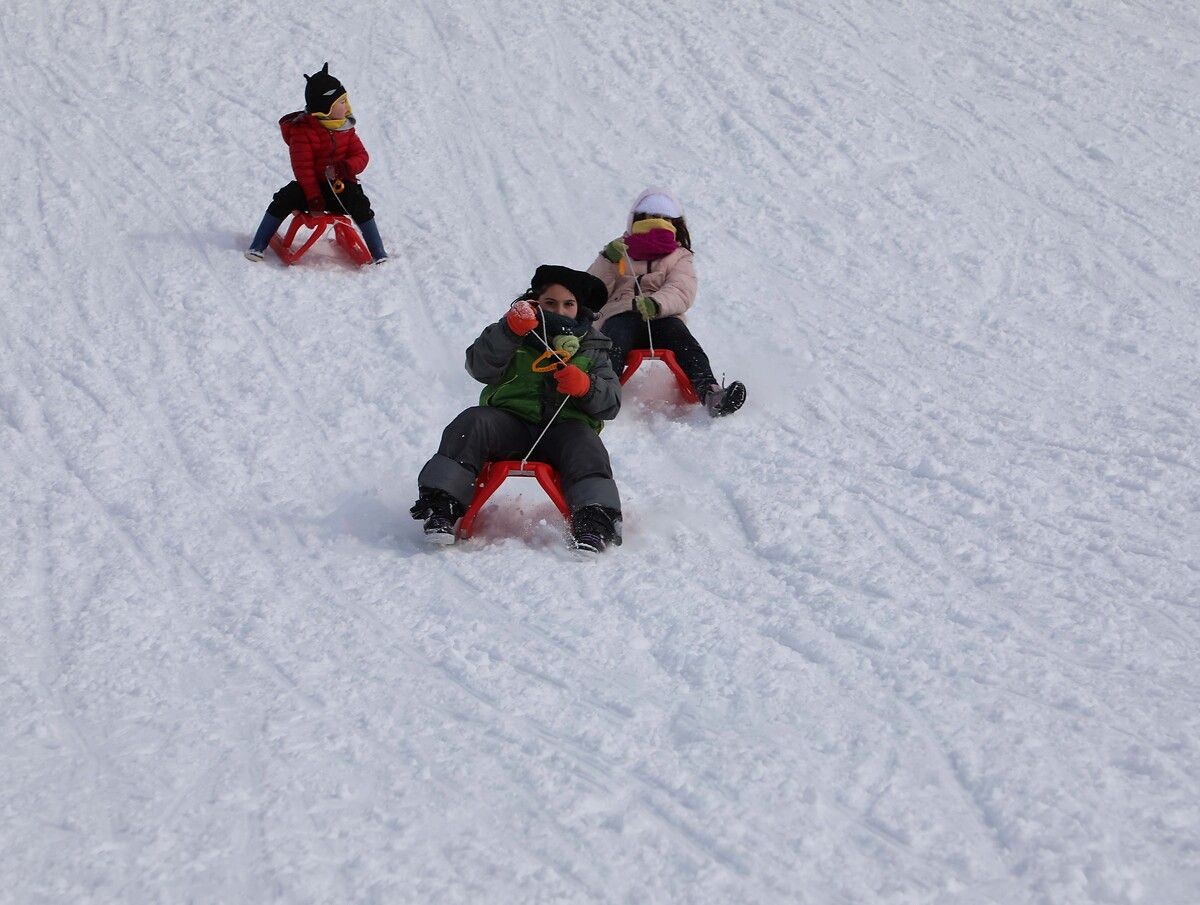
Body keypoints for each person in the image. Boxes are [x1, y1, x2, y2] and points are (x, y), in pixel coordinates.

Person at [411, 265, 623, 553]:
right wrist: (509, 332)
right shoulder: (514, 330)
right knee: (473, 422)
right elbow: (479, 366)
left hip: (564, 431)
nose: (559, 310)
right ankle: (442, 506)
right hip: (510, 424)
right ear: (536, 302)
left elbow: (610, 403)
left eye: (568, 304)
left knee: (586, 444)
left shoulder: (593, 347)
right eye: (550, 302)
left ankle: (594, 521)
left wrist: (586, 386)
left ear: (579, 308)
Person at [587, 187, 746, 416]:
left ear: (674, 223)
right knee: (612, 340)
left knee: (684, 341)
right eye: (649, 217)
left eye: (663, 218)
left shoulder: (680, 255)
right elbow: (592, 292)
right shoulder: (619, 249)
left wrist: (656, 303)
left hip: (662, 317)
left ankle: (711, 393)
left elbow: (681, 288)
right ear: (636, 220)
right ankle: (599, 395)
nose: (655, 223)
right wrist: (606, 260)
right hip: (620, 314)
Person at [244, 63, 388, 264]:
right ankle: (258, 245)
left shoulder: (345, 128)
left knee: (360, 202)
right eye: (341, 102)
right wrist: (314, 198)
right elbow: (303, 169)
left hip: (338, 187)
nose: (346, 106)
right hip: (310, 189)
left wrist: (345, 168)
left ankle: (378, 252)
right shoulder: (302, 132)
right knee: (284, 197)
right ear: (326, 108)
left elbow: (361, 155)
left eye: (346, 100)